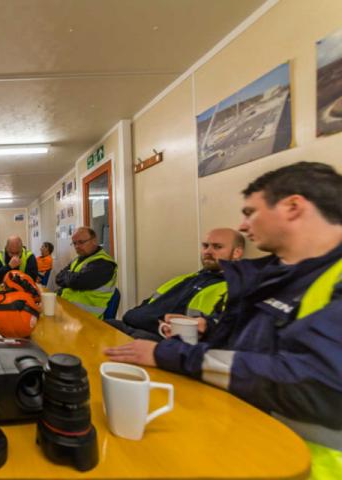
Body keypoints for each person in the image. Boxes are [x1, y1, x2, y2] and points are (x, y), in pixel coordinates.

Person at [105, 162, 342, 479]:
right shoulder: (282, 275)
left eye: (251, 212)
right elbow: (259, 345)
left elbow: (313, 380)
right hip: (240, 435)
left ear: (293, 207)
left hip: (304, 464)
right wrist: (210, 329)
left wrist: (169, 354)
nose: (244, 226)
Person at [106, 228, 245, 340]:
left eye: (217, 247)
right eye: (205, 246)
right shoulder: (184, 279)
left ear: (237, 252)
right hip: (127, 326)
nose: (208, 251)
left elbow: (223, 329)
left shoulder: (236, 287)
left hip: (155, 341)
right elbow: (145, 306)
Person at [56, 227, 117, 317]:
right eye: (74, 243)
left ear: (94, 241)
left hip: (87, 317)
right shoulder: (78, 259)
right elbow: (58, 278)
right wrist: (71, 278)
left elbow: (79, 282)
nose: (77, 247)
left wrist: (69, 276)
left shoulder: (104, 263)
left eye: (81, 242)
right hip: (68, 311)